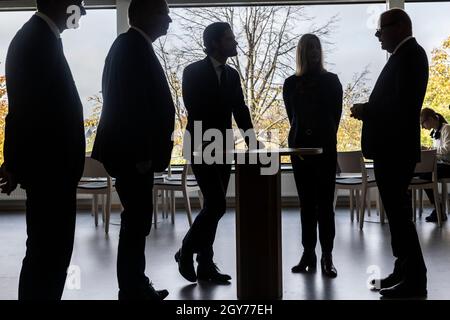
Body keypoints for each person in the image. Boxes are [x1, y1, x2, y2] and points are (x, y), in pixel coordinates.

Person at [0, 0, 86, 300]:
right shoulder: (37, 40)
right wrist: (11, 162)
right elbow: (24, 110)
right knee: (48, 255)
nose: (83, 11)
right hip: (51, 172)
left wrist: (12, 161)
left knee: (46, 253)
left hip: (51, 171)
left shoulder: (38, 38)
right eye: (80, 4)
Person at [92, 0, 174, 300]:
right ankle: (133, 289)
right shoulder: (131, 48)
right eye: (162, 13)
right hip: (133, 153)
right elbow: (130, 106)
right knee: (136, 220)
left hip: (130, 151)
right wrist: (142, 154)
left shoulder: (129, 45)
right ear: (140, 14)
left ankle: (134, 284)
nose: (168, 20)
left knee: (136, 219)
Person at [351, 8, 428, 298]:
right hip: (392, 150)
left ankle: (415, 281)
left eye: (380, 30)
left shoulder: (410, 56)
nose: (378, 36)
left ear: (400, 27)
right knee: (398, 218)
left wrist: (365, 110)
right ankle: (403, 269)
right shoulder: (404, 56)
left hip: (395, 151)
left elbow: (401, 106)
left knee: (400, 218)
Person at [175, 22, 261, 284]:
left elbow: (240, 109)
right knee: (217, 204)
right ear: (214, 43)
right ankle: (186, 250)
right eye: (229, 39)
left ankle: (205, 264)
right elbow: (197, 108)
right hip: (201, 145)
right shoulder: (192, 72)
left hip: (224, 147)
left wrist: (252, 142)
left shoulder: (233, 75)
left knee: (213, 206)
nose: (235, 43)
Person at [283, 34, 342, 278]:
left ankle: (327, 255)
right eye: (309, 48)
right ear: (301, 52)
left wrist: (322, 138)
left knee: (325, 204)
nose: (314, 51)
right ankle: (308, 253)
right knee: (306, 204)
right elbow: (292, 118)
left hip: (325, 149)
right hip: (299, 150)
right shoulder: (290, 83)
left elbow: (335, 118)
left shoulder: (331, 81)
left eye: (317, 47)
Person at [419, 108, 449, 223]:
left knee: (425, 175)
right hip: (442, 164)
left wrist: (429, 150)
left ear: (430, 119)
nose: (422, 127)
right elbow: (438, 153)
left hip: (448, 165)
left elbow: (446, 150)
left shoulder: (447, 129)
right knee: (420, 174)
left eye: (423, 123)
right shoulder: (436, 132)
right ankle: (438, 207)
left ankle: (438, 207)